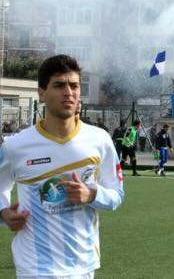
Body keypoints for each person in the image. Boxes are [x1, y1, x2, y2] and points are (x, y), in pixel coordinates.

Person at [0, 54, 124, 278]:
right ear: (41, 93)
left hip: (82, 265)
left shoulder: (100, 140)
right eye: (59, 85)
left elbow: (117, 195)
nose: (69, 93)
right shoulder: (16, 146)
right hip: (34, 267)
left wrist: (91, 195)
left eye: (74, 85)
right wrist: (4, 213)